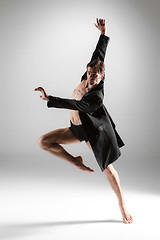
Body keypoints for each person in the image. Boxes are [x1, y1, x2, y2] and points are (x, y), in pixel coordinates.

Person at [34, 18, 133, 224]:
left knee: (108, 169)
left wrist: (50, 99)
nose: (90, 78)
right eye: (89, 74)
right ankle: (76, 162)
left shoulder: (97, 96)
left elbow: (77, 106)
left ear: (102, 76)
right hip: (75, 129)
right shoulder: (89, 73)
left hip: (92, 132)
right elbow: (98, 56)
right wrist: (103, 35)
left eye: (95, 76)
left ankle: (122, 204)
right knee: (43, 142)